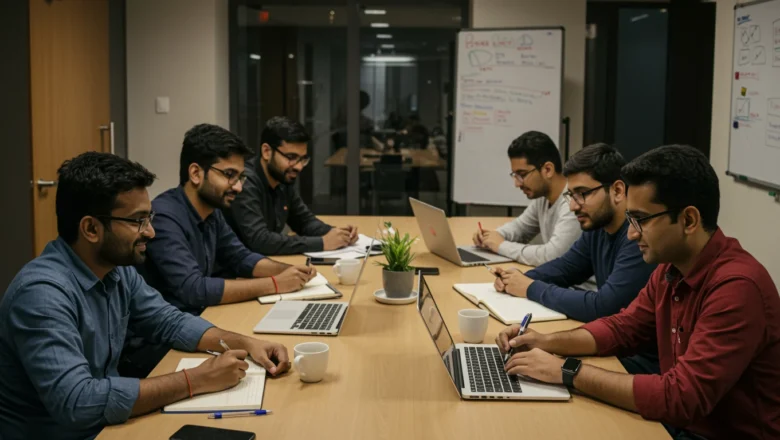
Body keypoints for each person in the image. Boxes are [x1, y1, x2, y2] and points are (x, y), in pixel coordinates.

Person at [496, 145, 780, 440]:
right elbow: (622, 329)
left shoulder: (737, 288)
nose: (631, 234)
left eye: (641, 220)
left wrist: (566, 370)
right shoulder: (671, 268)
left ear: (689, 220)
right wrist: (545, 341)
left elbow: (681, 398)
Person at [0, 152, 291, 440]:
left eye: (148, 217)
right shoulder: (41, 295)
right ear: (91, 228)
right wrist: (196, 380)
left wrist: (247, 343)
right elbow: (79, 402)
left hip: (109, 426)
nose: (150, 232)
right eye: (137, 221)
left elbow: (169, 321)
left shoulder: (115, 270)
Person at [140, 123, 315, 316]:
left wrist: (291, 271)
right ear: (196, 173)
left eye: (241, 177)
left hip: (200, 316)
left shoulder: (212, 211)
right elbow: (194, 289)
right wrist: (275, 283)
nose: (238, 187)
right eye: (229, 175)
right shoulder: (164, 217)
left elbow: (241, 257)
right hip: (169, 328)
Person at [493, 143, 657, 324]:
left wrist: (530, 287)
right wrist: (517, 278)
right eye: (571, 195)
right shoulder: (598, 227)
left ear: (617, 191)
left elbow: (604, 307)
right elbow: (565, 268)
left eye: (582, 193)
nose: (572, 206)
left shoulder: (638, 237)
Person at [226, 117, 359, 255]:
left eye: (302, 159)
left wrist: (337, 233)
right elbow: (260, 241)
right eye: (291, 157)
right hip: (237, 265)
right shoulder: (244, 182)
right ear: (266, 151)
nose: (299, 167)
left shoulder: (282, 179)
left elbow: (304, 222)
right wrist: (322, 243)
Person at [473, 131, 581, 266]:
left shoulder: (573, 203)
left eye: (522, 174)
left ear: (548, 169)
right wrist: (492, 236)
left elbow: (552, 256)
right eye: (515, 175)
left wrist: (501, 245)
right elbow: (520, 229)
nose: (517, 184)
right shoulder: (543, 198)